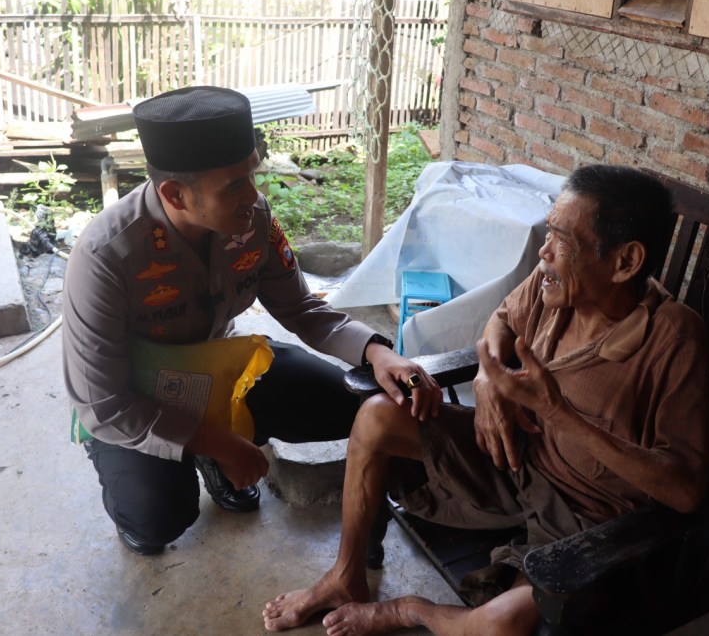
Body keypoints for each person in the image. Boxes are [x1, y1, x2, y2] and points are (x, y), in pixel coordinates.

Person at [262, 164, 709, 634]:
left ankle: (411, 610)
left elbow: (686, 491)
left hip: (582, 520)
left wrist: (557, 410)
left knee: (501, 627)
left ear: (625, 262)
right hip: (511, 460)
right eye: (549, 233)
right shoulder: (552, 283)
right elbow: (501, 320)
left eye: (562, 241)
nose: (544, 252)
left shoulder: (673, 337)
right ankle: (345, 576)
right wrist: (486, 379)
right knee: (377, 415)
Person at [62, 86, 441, 556]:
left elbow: (302, 309)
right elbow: (104, 405)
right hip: (138, 397)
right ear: (175, 194)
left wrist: (377, 353)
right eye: (233, 186)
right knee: (157, 519)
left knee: (360, 402)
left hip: (220, 374)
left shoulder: (251, 218)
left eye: (252, 175)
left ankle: (214, 451)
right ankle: (181, 461)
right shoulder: (107, 256)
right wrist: (221, 443)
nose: (253, 195)